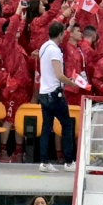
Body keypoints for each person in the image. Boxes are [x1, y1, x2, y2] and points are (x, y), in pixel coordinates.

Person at [35, 21, 74, 162]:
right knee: (67, 125)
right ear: (60, 34)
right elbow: (59, 75)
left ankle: (44, 162)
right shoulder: (55, 50)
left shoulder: (43, 47)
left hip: (43, 92)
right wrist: (72, 83)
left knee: (46, 128)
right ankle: (69, 161)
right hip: (54, 93)